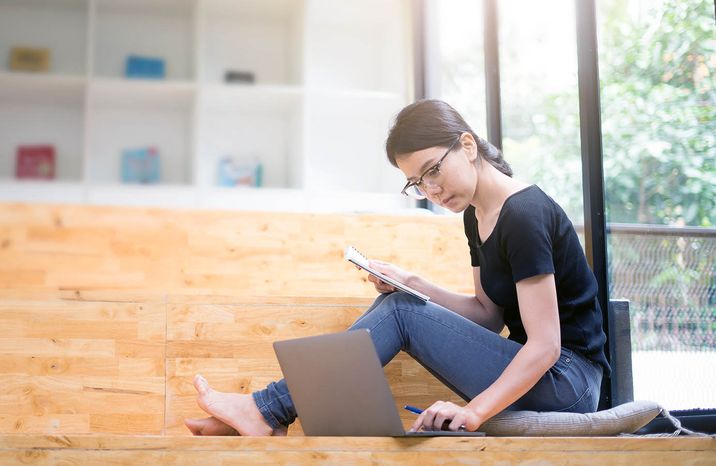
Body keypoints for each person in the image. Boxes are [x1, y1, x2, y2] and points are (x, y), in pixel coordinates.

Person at [184, 99, 611, 436]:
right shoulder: (475, 216)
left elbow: (546, 346)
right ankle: (266, 412)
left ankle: (267, 409)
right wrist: (411, 282)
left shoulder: (524, 214)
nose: (432, 189)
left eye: (433, 171)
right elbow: (487, 314)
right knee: (402, 300)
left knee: (402, 312)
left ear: (467, 145)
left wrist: (472, 413)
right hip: (542, 371)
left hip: (569, 383)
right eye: (418, 183)